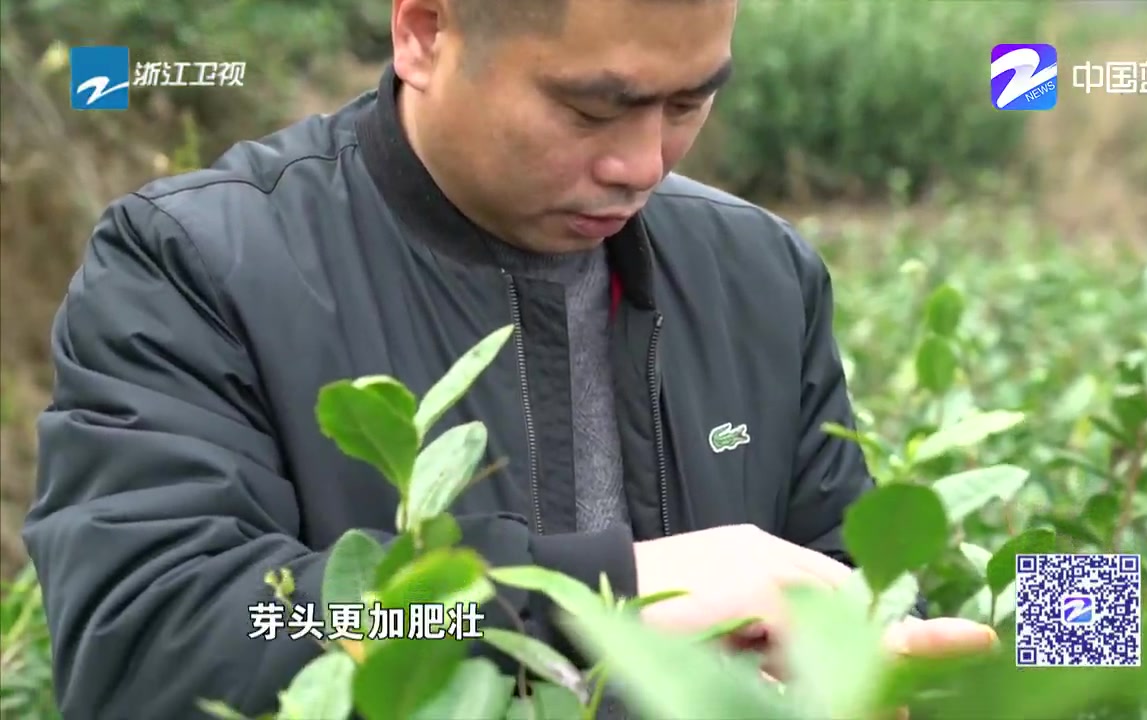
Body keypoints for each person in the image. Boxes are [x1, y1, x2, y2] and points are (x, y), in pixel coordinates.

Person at [23, 0, 997, 717]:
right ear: (423, 32)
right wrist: (592, 606)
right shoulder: (199, 263)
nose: (643, 165)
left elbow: (860, 577)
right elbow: (155, 646)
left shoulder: (758, 272)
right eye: (589, 111)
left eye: (686, 104)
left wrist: (1124, 626)